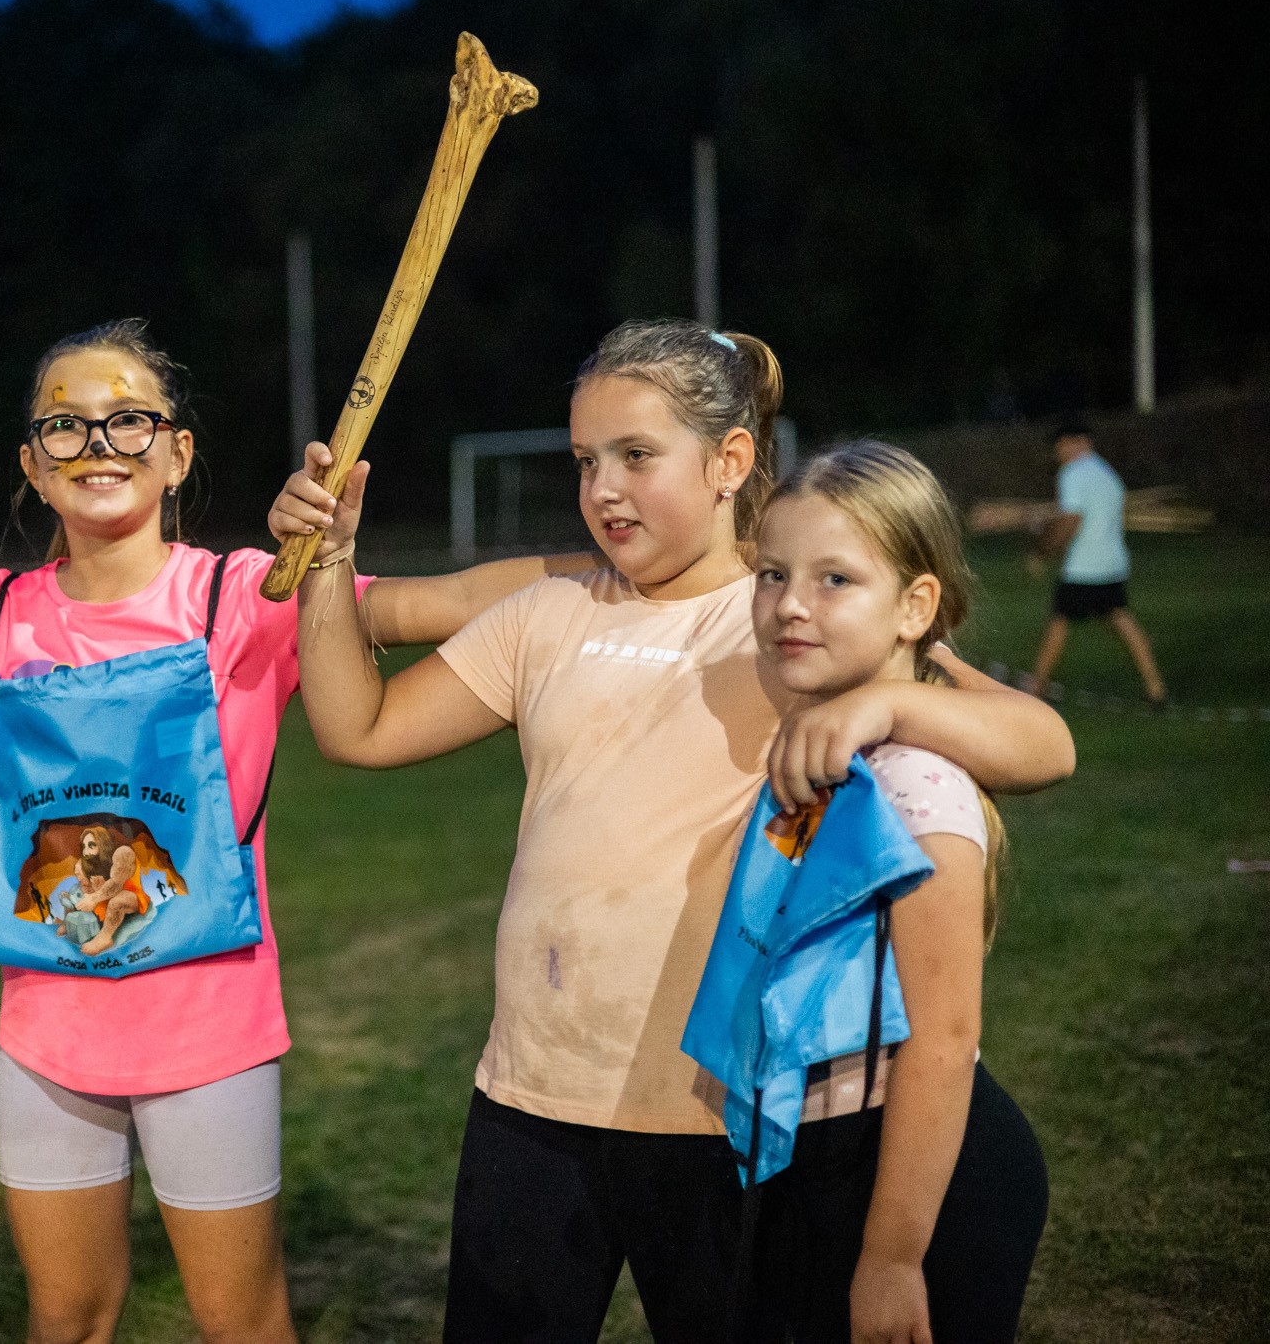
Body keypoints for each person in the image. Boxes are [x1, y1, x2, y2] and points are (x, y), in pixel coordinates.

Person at [268, 319, 1074, 1341]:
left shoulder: (789, 614)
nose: (602, 488)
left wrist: (885, 709)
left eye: (635, 457)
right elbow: (357, 727)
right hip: (533, 1097)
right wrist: (331, 560)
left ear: (729, 461)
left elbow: (1041, 743)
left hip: (715, 1116)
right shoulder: (550, 611)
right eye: (583, 462)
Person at [0, 318, 595, 1344]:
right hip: (44, 1032)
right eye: (63, 426)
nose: (97, 444)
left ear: (176, 451)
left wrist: (634, 568)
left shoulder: (245, 596)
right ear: (30, 463)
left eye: (127, 421)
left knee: (237, 1319)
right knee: (65, 1315)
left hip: (209, 1032)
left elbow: (454, 599)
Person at [736, 442, 1048, 1342]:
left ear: (916, 606)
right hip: (817, 1156)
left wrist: (893, 1257)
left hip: (909, 1180)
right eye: (773, 573)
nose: (791, 603)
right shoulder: (814, 725)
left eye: (836, 578)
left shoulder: (917, 791)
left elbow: (944, 1043)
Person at [1025, 418, 1166, 705]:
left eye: (1061, 445)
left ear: (1074, 443)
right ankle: (1156, 688)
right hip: (1112, 563)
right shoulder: (1107, 473)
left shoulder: (1073, 473)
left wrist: (1042, 552)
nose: (1059, 452)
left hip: (1083, 567)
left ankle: (1034, 690)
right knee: (1121, 619)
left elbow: (1071, 520)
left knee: (1059, 622)